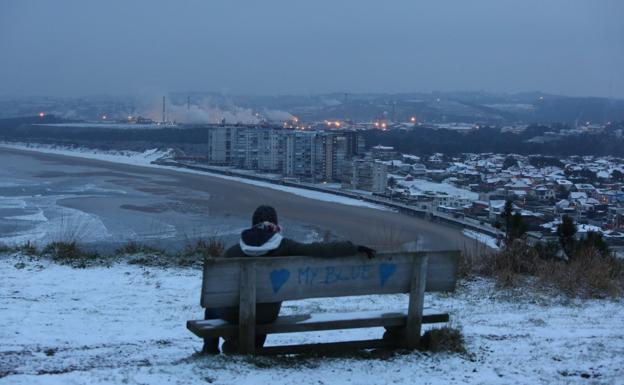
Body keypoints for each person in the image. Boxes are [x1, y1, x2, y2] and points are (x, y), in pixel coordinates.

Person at [202, 205, 376, 354]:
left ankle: (211, 349)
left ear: (252, 224)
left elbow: (217, 284)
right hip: (267, 314)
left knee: (212, 307)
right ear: (275, 224)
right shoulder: (285, 246)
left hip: (233, 315)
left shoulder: (234, 251)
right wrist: (352, 248)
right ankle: (247, 345)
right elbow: (319, 249)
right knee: (263, 306)